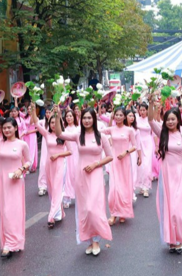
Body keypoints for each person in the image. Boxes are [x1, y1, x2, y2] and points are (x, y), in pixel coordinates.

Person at [53, 105, 114, 256]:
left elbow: (110, 156)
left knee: (94, 208)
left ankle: (96, 240)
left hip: (95, 175)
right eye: (84, 118)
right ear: (81, 119)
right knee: (85, 209)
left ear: (94, 119)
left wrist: (96, 164)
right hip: (81, 176)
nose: (87, 120)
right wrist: (57, 114)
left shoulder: (101, 136)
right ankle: (89, 239)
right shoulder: (77, 135)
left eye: (89, 118)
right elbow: (59, 133)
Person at [148, 96, 182, 253]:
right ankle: (171, 240)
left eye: (173, 119)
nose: (170, 122)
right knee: (168, 209)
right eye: (168, 120)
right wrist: (150, 104)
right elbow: (150, 121)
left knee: (177, 211)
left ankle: (178, 238)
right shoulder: (162, 134)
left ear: (178, 120)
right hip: (166, 176)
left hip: (180, 175)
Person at [0, 117, 31, 257]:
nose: (7, 130)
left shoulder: (22, 144)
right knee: (5, 211)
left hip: (16, 181)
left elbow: (29, 161)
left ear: (15, 128)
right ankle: (8, 243)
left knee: (14, 211)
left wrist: (20, 170)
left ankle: (14, 242)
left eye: (9, 127)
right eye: (4, 128)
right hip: (3, 181)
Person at [30, 106, 71, 228]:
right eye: (51, 122)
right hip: (49, 165)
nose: (53, 124)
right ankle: (59, 212)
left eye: (56, 122)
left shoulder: (64, 135)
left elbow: (70, 151)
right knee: (52, 190)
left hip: (60, 164)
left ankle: (51, 216)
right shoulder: (46, 134)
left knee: (58, 189)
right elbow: (36, 123)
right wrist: (33, 110)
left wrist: (58, 154)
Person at [102, 107, 138, 225]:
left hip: (125, 161)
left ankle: (123, 213)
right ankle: (113, 214)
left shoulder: (129, 130)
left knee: (124, 187)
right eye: (116, 115)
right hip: (114, 162)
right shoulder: (111, 129)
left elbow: (134, 146)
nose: (118, 117)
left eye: (120, 115)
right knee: (113, 189)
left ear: (124, 117)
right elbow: (99, 132)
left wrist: (125, 152)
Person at [134, 103, 153, 197]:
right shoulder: (136, 119)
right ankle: (141, 186)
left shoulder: (150, 120)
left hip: (148, 143)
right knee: (140, 166)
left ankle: (146, 187)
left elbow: (154, 132)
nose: (142, 112)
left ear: (147, 110)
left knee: (147, 165)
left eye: (144, 110)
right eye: (140, 110)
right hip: (139, 143)